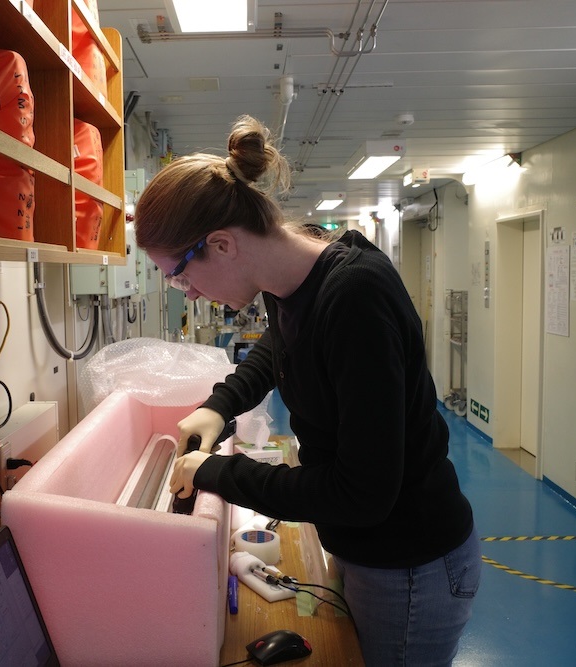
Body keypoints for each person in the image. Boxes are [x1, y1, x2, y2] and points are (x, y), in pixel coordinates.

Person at [133, 115, 480, 666]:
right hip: (368, 551)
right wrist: (220, 405)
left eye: (179, 275)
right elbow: (283, 342)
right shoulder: (290, 277)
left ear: (221, 244)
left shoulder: (355, 296)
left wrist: (218, 474)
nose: (190, 293)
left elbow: (362, 493)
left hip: (411, 564)